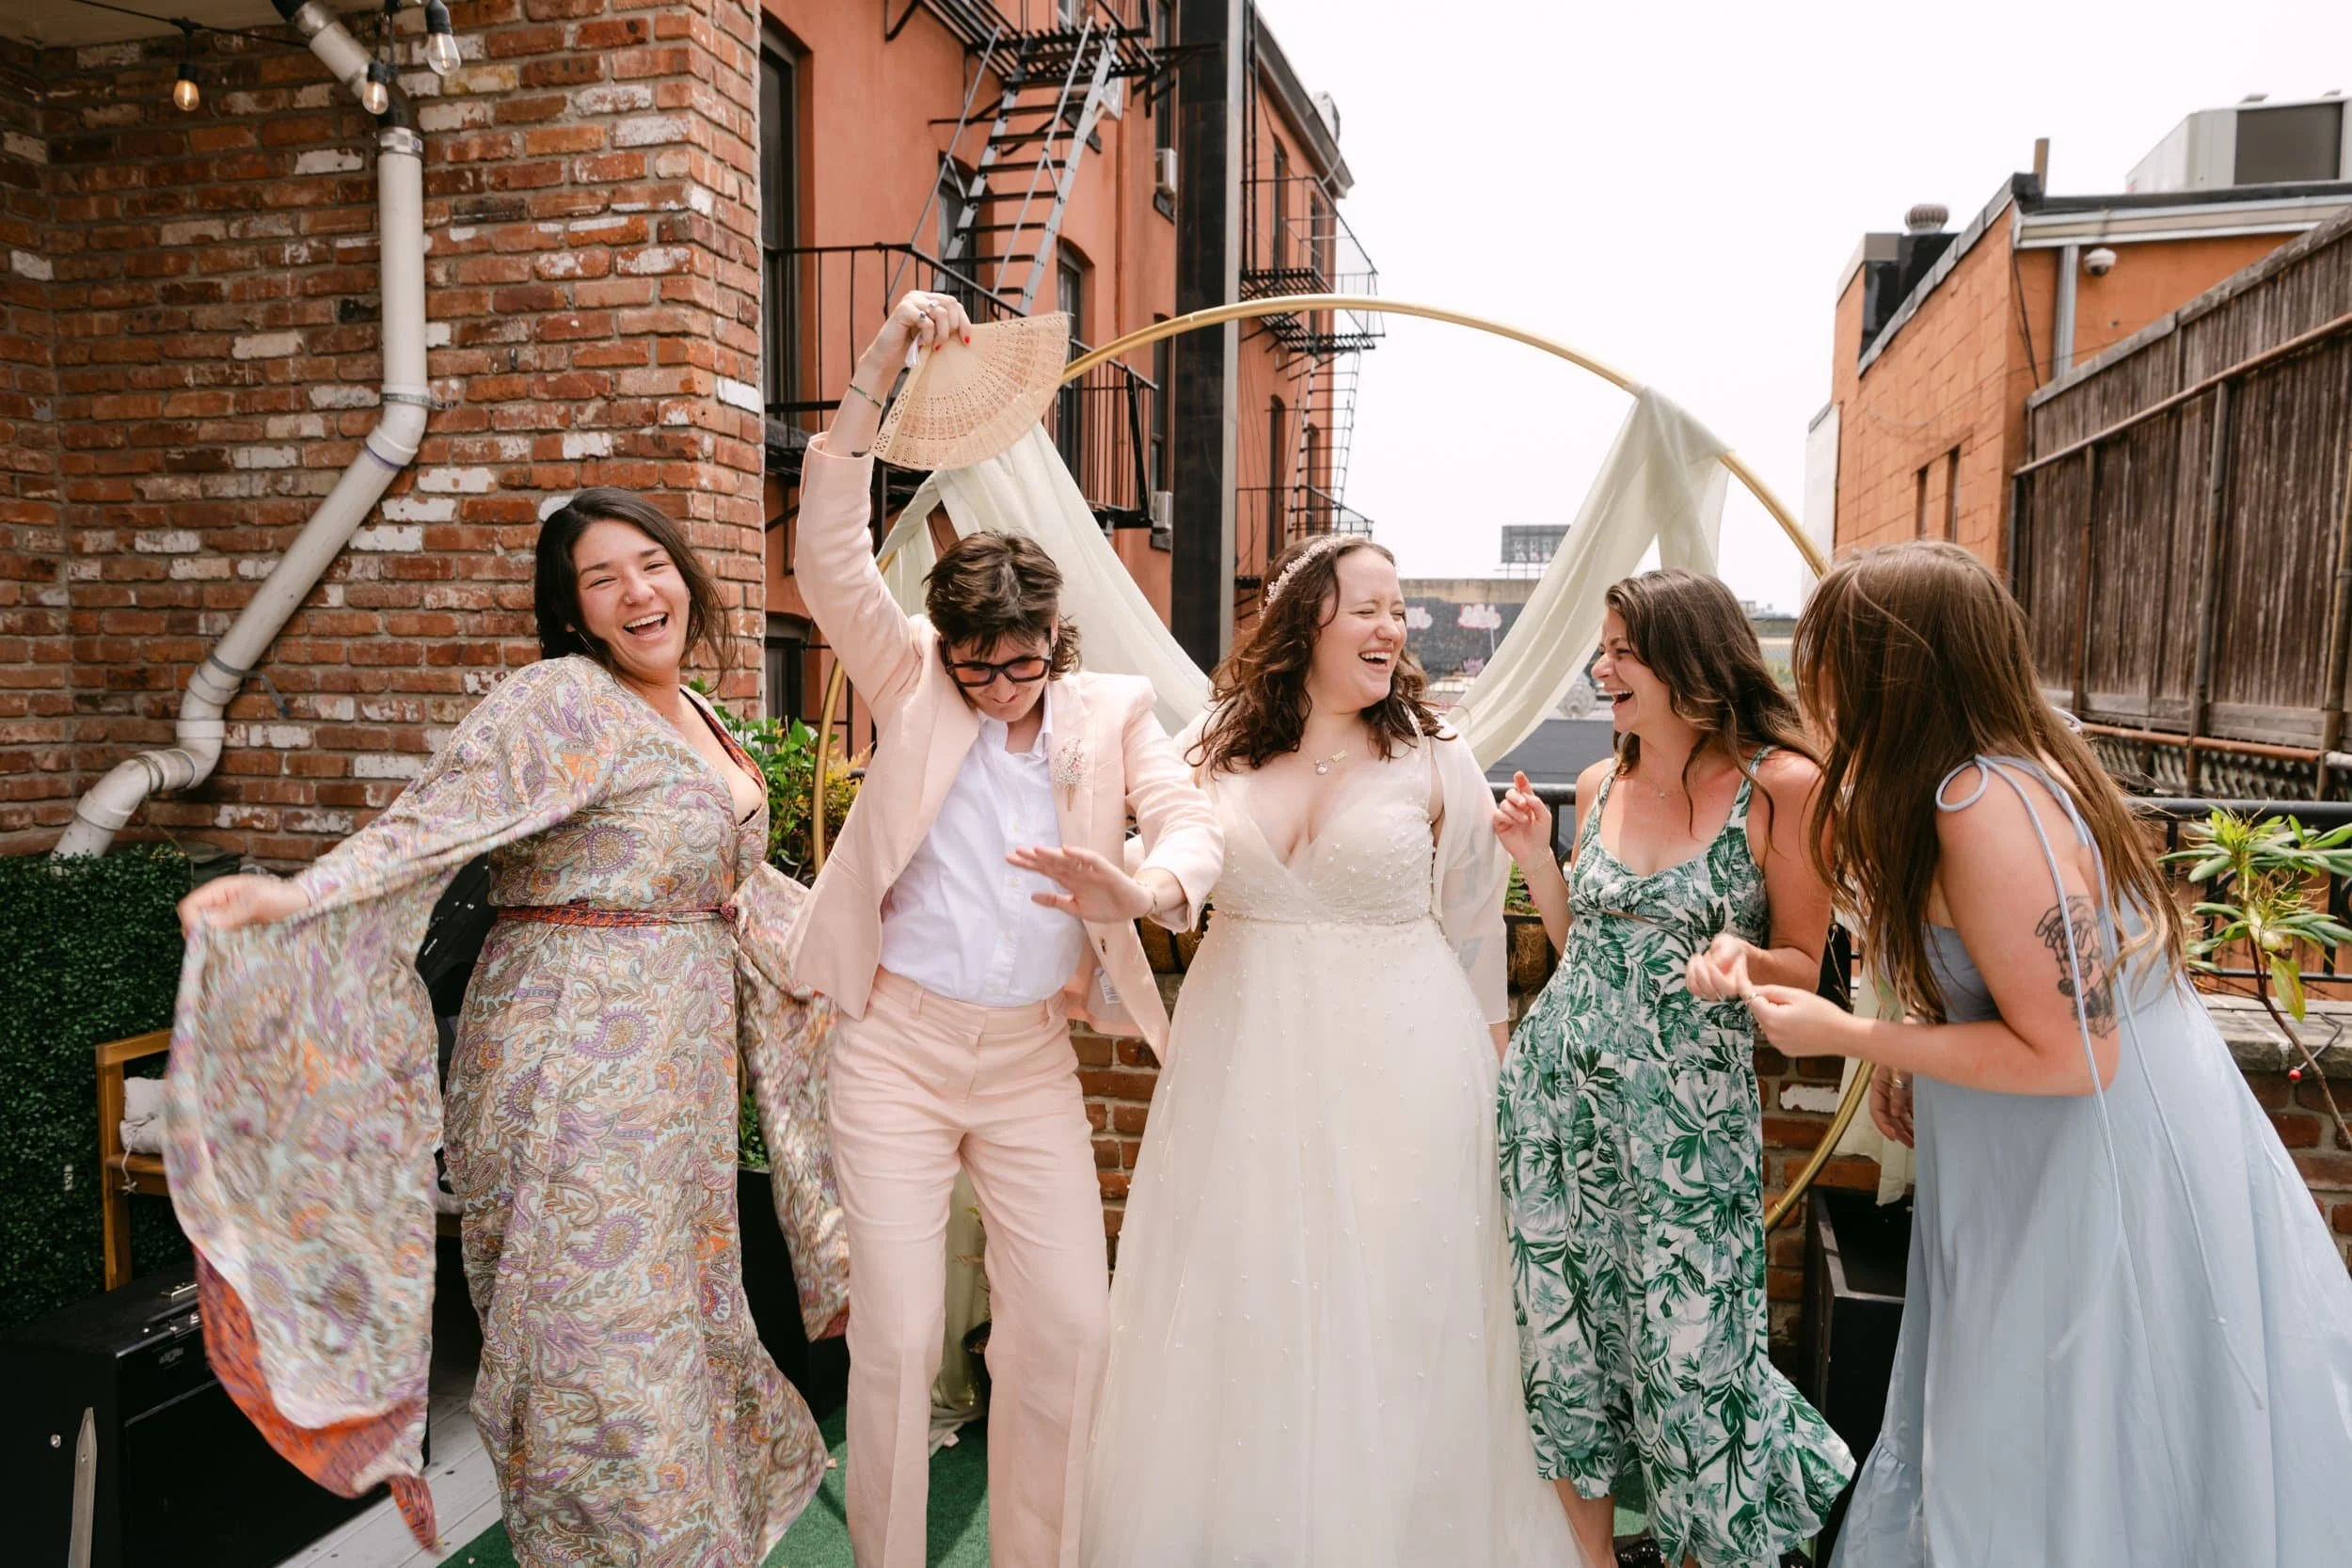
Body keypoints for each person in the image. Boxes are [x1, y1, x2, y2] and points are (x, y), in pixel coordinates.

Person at [172, 488, 841, 1564]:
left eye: (651, 563)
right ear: (572, 613)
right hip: (567, 1062)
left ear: (684, 573)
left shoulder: (697, 709)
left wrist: (884, 945)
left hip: (677, 1072)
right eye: (602, 577)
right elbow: (429, 826)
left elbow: (740, 882)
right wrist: (294, 899)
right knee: (587, 1341)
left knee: (677, 1318)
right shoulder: (558, 700)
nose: (638, 590)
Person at [1700, 541, 2352, 1566]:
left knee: (2063, 1422)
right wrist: (1911, 1052)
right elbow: (2000, 973)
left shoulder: (1983, 802)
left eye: (1826, 653)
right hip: (2030, 1146)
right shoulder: (1991, 771)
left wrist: (1849, 1034)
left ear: (1891, 668)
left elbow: (2072, 1055)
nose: (1808, 681)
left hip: (2086, 1162)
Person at [787, 290, 1223, 1568]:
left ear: (1053, 641)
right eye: (979, 664)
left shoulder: (1114, 705)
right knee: (908, 1334)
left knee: (1070, 1330)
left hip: (1031, 1054)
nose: (998, 685)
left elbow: (1191, 816)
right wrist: (877, 365)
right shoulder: (913, 671)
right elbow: (827, 551)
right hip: (897, 1049)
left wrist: (1142, 889)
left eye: (1019, 663)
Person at [1080, 532, 1582, 1567]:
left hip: (1405, 1068)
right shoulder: (1212, 746)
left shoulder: (1435, 751)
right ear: (1308, 618)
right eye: (1370, 607)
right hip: (1240, 1064)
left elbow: (1480, 931)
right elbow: (1155, 855)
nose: (1392, 628)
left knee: (1397, 1310)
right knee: (1242, 1297)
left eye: (1399, 610)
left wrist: (1498, 1084)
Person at [1491, 569, 1852, 1568]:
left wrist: (1740, 964)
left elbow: (1801, 965)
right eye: (1601, 648)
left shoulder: (1782, 786)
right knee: (1568, 1348)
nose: (1601, 666)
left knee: (1694, 1362)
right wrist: (1535, 862)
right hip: (1557, 1105)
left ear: (1690, 658)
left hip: (1687, 1126)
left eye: (1622, 647)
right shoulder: (1601, 780)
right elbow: (1581, 947)